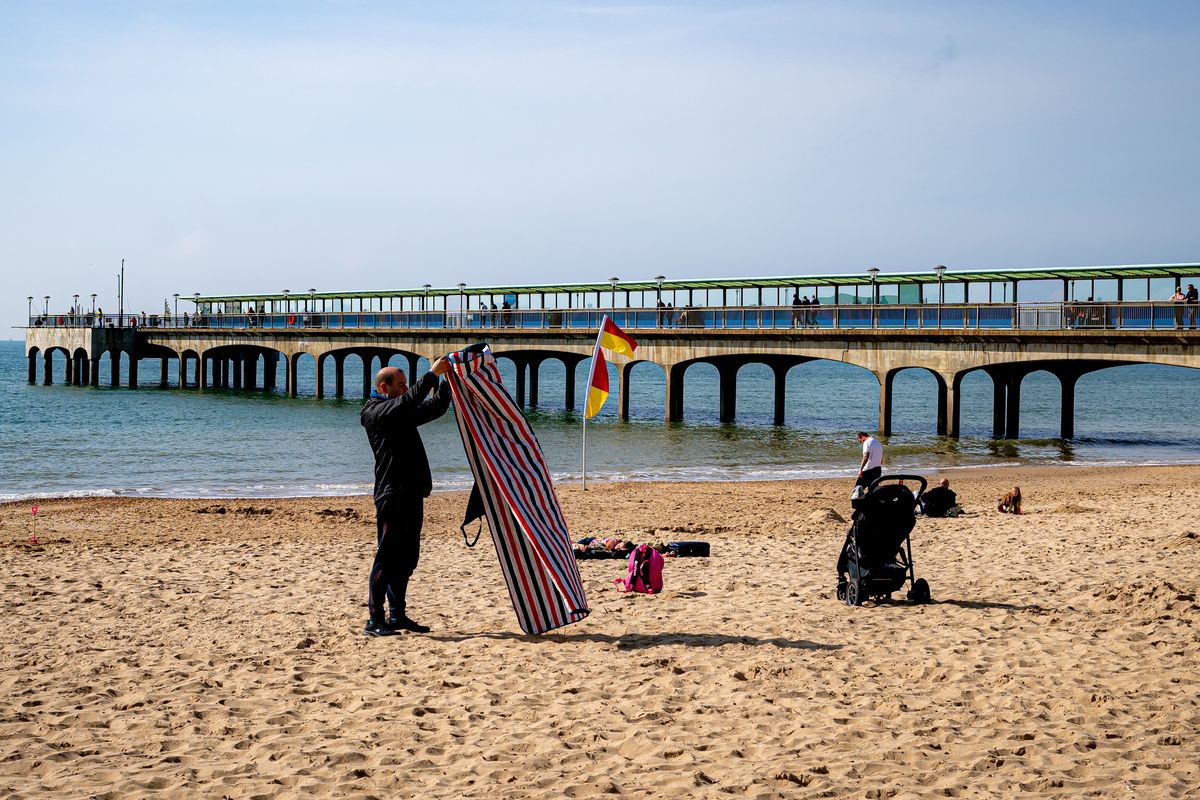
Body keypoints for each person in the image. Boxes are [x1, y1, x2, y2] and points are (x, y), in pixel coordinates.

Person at [360, 358, 453, 636]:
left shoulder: (399, 411)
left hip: (412, 493)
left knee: (407, 559)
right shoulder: (375, 413)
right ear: (383, 387)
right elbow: (407, 401)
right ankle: (375, 620)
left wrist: (450, 380)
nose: (405, 389)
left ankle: (397, 615)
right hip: (391, 495)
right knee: (387, 558)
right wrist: (432, 374)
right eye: (401, 385)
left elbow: (435, 407)